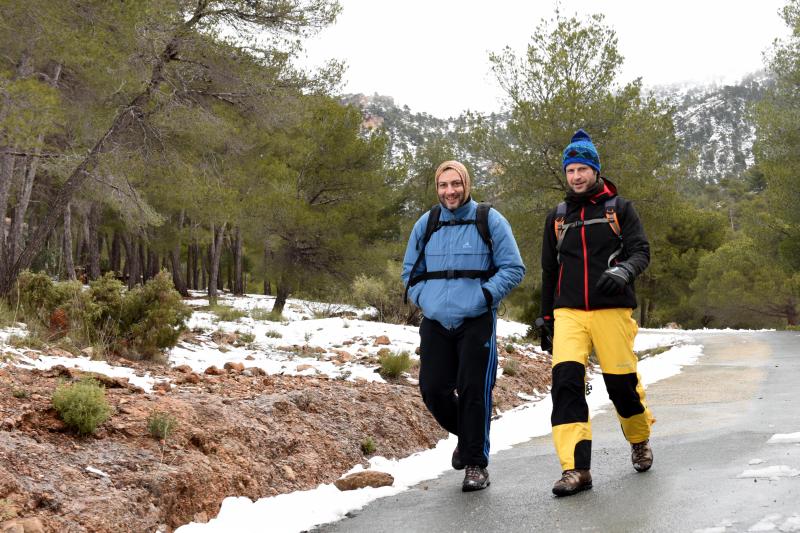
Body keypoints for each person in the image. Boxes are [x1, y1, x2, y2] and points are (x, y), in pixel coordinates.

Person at [537, 129, 654, 497]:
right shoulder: (557, 217)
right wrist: (545, 318)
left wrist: (623, 272)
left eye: (582, 169)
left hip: (611, 310)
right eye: (570, 170)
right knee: (566, 386)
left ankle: (639, 439)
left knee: (622, 386)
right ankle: (576, 469)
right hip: (569, 312)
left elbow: (641, 252)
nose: (576, 177)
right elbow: (549, 271)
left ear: (595, 171)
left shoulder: (619, 209)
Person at [402, 160, 525, 492]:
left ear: (466, 184)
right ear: (437, 188)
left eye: (455, 184)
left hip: (477, 321)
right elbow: (410, 273)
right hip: (436, 321)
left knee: (474, 392)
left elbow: (514, 268)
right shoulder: (426, 224)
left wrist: (483, 296)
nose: (449, 191)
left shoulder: (489, 220)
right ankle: (469, 437)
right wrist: (425, 300)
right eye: (443, 185)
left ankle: (475, 465)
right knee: (432, 389)